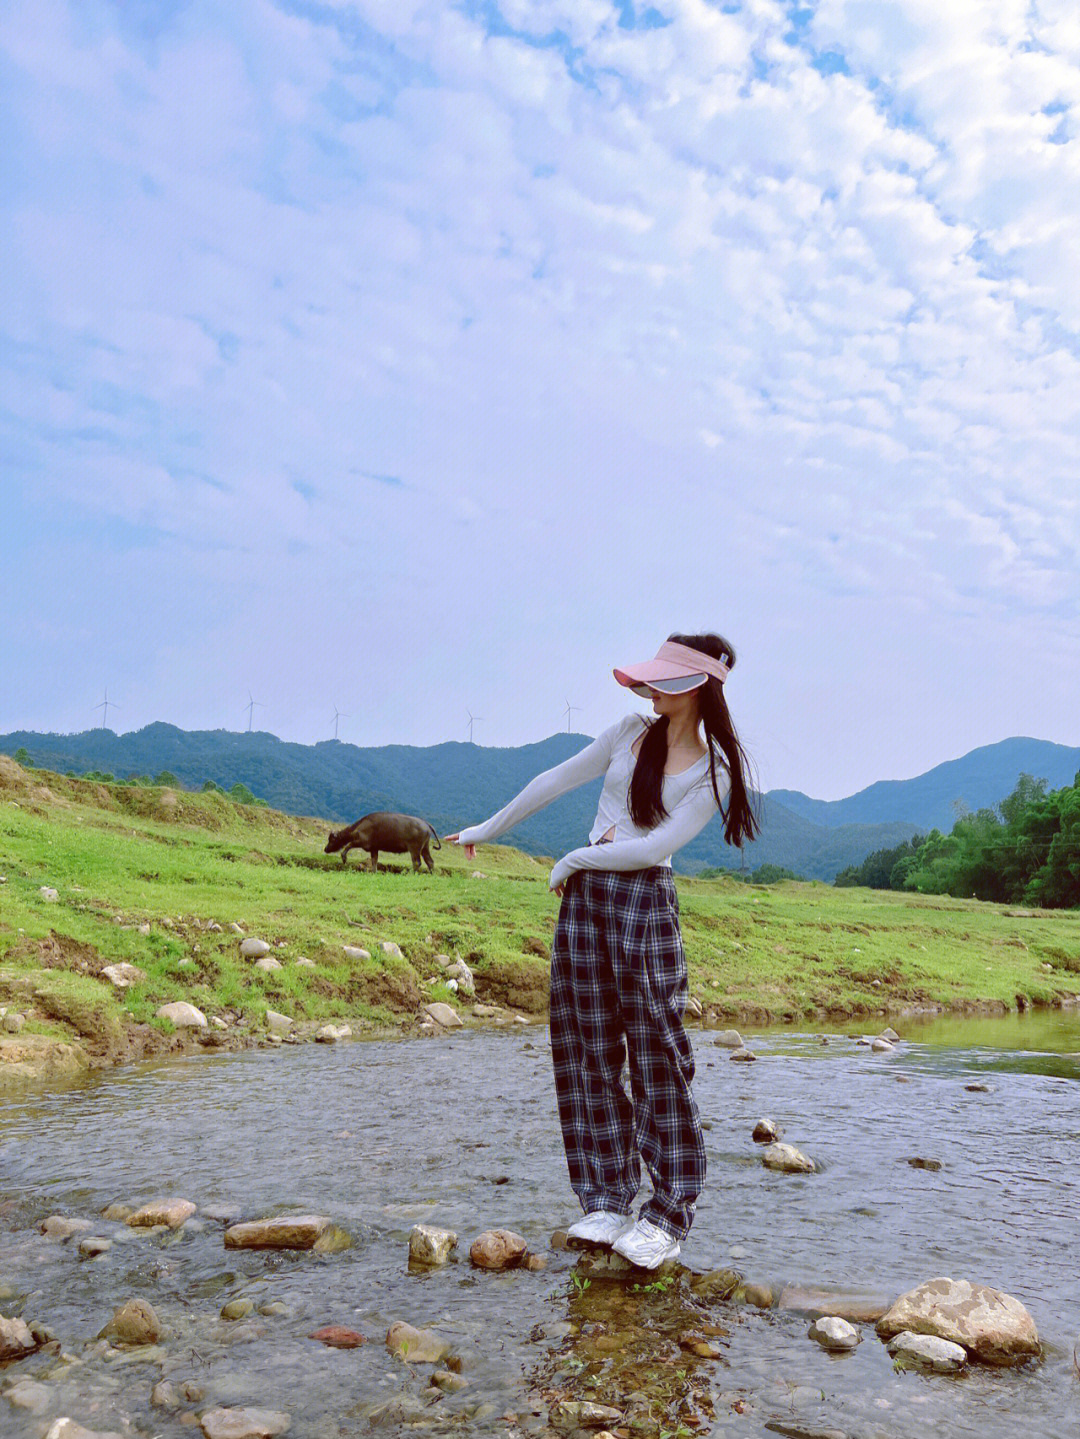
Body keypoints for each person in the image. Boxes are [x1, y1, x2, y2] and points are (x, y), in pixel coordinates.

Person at [445, 633, 758, 1268]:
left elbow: (651, 848)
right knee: (584, 1045)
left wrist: (573, 859)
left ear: (696, 686)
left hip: (643, 900)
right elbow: (555, 779)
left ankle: (669, 1214)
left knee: (655, 1052)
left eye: (668, 678)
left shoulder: (715, 771)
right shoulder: (627, 731)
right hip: (585, 903)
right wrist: (485, 829)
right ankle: (608, 1196)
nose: (653, 689)